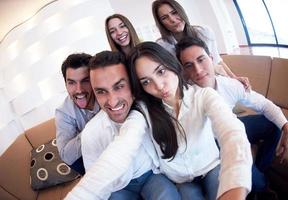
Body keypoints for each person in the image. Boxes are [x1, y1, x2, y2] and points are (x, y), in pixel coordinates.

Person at [128, 41, 252, 200]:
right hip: (180, 180)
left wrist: (236, 186)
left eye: (161, 71)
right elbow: (125, 141)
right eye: (146, 81)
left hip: (210, 167)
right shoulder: (144, 111)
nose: (159, 86)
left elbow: (232, 132)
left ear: (172, 64)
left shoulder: (203, 96)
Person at [175, 36, 288, 196]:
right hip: (213, 141)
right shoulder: (185, 97)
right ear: (184, 71)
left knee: (272, 124)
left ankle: (262, 168)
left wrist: (285, 127)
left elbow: (264, 104)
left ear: (211, 58)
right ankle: (261, 185)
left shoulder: (228, 84)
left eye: (201, 60)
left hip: (234, 126)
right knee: (259, 184)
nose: (198, 70)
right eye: (189, 65)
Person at [65, 51, 180, 200]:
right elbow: (97, 180)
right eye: (101, 92)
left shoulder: (148, 107)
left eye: (119, 87)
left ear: (132, 84)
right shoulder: (90, 133)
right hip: (118, 188)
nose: (112, 101)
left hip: (152, 176)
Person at [151, 0, 250, 89]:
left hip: (216, 80)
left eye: (174, 12)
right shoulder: (162, 46)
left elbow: (217, 61)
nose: (172, 19)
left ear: (181, 11)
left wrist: (234, 78)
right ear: (161, 23)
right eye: (164, 18)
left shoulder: (204, 32)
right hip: (192, 88)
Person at [55, 53, 100, 175]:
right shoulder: (63, 112)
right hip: (98, 168)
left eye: (85, 81)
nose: (79, 90)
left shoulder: (106, 94)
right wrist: (97, 124)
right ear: (66, 85)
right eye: (72, 83)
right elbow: (66, 155)